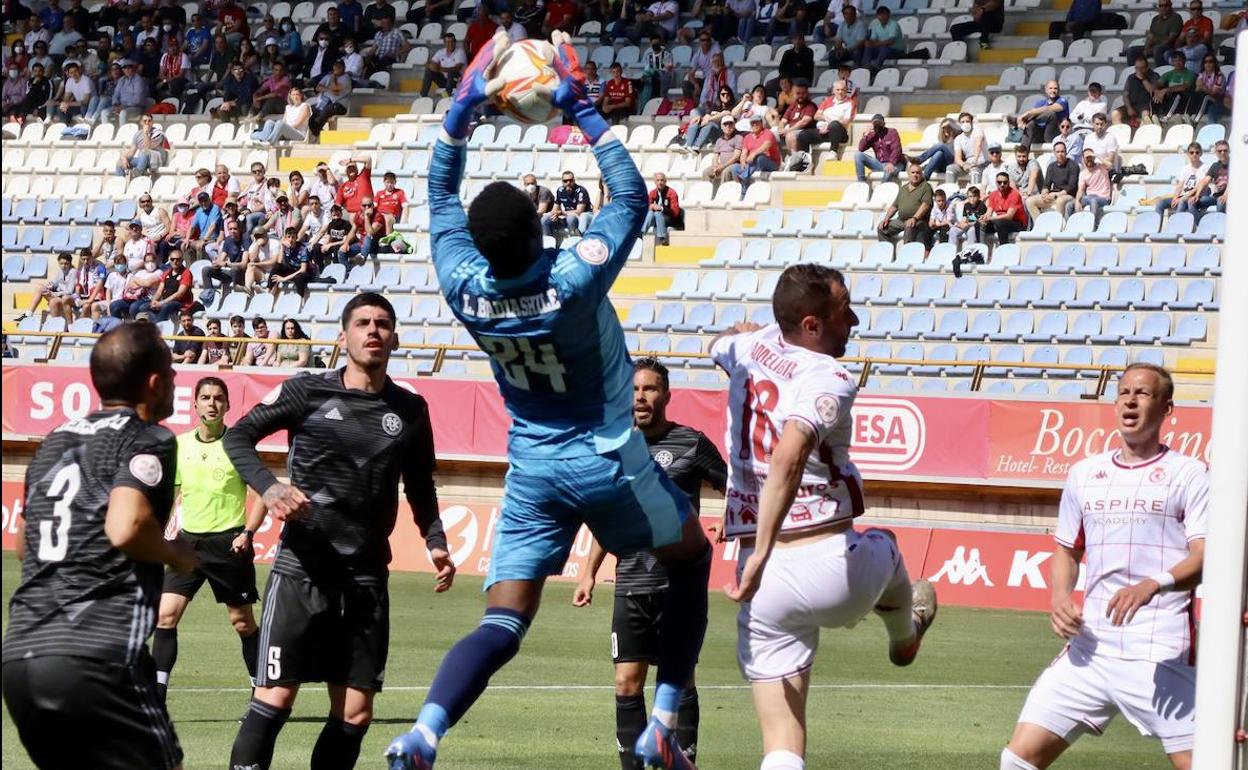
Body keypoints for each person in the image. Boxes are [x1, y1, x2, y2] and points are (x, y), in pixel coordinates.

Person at [386, 31, 713, 770]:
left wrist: (460, 113)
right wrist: (581, 107)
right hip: (606, 455)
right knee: (691, 558)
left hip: (532, 467)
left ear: (478, 243)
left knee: (504, 618)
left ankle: (425, 734)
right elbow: (631, 196)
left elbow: (438, 195)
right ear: (539, 229)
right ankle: (664, 721)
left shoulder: (462, 284)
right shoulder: (571, 281)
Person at [711, 264, 937, 770]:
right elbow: (790, 454)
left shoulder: (748, 349)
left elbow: (721, 342)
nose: (853, 319)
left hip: (761, 584)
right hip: (830, 563)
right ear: (811, 325)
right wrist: (766, 546)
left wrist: (744, 333)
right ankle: (905, 632)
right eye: (843, 310)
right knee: (887, 544)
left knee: (782, 741)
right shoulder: (828, 375)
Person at [224, 291, 453, 770]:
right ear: (343, 335)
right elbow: (238, 436)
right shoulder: (306, 391)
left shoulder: (411, 409)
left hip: (367, 576)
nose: (374, 330)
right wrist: (268, 489)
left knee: (356, 711)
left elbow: (419, 485)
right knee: (275, 698)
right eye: (363, 322)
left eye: (383, 323)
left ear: (394, 337)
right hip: (302, 570)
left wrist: (435, 541)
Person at [2, 323, 196, 770]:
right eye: (171, 370)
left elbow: (22, 545)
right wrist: (176, 555)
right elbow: (126, 527)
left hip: (22, 658)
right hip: (96, 653)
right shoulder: (149, 437)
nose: (175, 378)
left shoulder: (54, 442)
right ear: (154, 382)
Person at [1001, 363, 1206, 770]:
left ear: (1166, 408)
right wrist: (1060, 598)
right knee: (1017, 760)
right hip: (1090, 649)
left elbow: (1206, 557)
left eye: (1143, 393)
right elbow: (1066, 550)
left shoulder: (1190, 474)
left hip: (1159, 649)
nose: (1130, 399)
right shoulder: (1084, 474)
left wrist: (1154, 584)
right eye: (1124, 392)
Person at [573, 358, 727, 770]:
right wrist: (589, 570)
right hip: (631, 585)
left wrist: (732, 514)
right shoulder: (616, 447)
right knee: (626, 683)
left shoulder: (691, 443)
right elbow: (609, 515)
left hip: (679, 586)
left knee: (679, 682)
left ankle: (684, 762)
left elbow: (737, 485)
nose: (641, 396)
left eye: (651, 389)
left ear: (666, 395)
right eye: (635, 389)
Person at [152, 376, 267, 702]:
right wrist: (159, 533)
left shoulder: (237, 444)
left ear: (227, 405)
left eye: (218, 398)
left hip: (229, 544)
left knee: (242, 623)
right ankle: (158, 696)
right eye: (206, 397)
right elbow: (171, 492)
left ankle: (261, 695)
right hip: (187, 544)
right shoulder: (180, 444)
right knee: (165, 615)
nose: (212, 403)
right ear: (195, 403)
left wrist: (248, 533)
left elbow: (261, 493)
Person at [877, 160, 933, 244]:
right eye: (913, 172)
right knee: (882, 228)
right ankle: (887, 254)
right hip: (901, 220)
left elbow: (926, 205)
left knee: (909, 227)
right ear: (908, 174)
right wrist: (886, 218)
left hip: (919, 221)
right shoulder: (903, 188)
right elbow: (894, 206)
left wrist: (914, 218)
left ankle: (907, 255)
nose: (915, 175)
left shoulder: (926, 187)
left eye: (917, 173)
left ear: (921, 174)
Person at [1026, 141, 1079, 222]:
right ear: (1054, 153)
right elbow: (1046, 184)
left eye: (1062, 151)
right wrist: (1044, 193)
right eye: (1057, 152)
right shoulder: (1051, 166)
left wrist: (1057, 194)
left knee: (1060, 201)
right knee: (1030, 201)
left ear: (1066, 152)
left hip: (1068, 195)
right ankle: (1039, 224)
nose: (1060, 154)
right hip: (1053, 195)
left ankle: (1059, 226)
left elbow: (1072, 186)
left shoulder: (1073, 166)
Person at [16, 251, 75, 323]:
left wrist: (55, 294)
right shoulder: (60, 272)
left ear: (70, 263)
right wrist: (49, 286)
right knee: (39, 287)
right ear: (58, 263)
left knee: (53, 299)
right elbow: (53, 284)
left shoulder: (73, 272)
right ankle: (28, 314)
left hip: (66, 299)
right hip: (58, 296)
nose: (63, 266)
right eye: (61, 263)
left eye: (66, 264)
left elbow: (70, 291)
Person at [1154, 142, 1207, 221]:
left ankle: (1175, 226)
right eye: (1191, 152)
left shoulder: (1204, 167)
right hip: (1183, 196)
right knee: (1161, 203)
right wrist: (1175, 198)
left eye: (1197, 152)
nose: (1194, 155)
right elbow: (1180, 185)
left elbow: (1197, 188)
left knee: (1181, 204)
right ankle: (1156, 227)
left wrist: (1182, 199)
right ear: (1188, 154)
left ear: (1201, 153)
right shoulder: (1185, 168)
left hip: (1194, 197)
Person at [731, 113, 782, 194]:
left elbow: (767, 145)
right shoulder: (747, 137)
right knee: (734, 168)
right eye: (752, 123)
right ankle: (744, 189)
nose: (755, 124)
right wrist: (743, 162)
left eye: (757, 122)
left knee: (759, 157)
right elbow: (744, 153)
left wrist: (754, 154)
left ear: (762, 124)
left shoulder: (768, 133)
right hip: (753, 165)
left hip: (770, 163)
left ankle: (744, 178)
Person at [543, 170, 595, 241]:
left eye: (571, 180)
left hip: (579, 217)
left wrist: (561, 213)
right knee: (545, 218)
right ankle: (547, 243)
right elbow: (555, 208)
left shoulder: (581, 191)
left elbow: (579, 211)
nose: (568, 183)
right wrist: (554, 214)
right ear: (562, 181)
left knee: (571, 218)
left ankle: (572, 241)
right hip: (566, 215)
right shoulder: (560, 190)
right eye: (565, 181)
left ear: (574, 180)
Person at [1014, 80, 1069, 147]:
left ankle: (1016, 121)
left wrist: (1027, 114)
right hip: (1040, 134)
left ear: (1059, 90)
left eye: (1055, 88)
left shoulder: (1063, 101)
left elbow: (1048, 108)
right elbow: (1032, 115)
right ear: (1046, 90)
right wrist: (1025, 119)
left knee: (1051, 114)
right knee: (1031, 124)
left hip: (1053, 135)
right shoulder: (1040, 102)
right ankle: (1023, 151)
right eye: (1050, 88)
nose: (1053, 91)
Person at [1127, 0, 1182, 66]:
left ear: (1171, 5)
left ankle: (1160, 72)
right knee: (1131, 50)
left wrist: (1154, 47)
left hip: (1169, 46)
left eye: (1166, 5)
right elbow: (1150, 36)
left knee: (1157, 49)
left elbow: (1171, 38)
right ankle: (1136, 74)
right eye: (1161, 6)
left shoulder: (1176, 18)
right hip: (1154, 46)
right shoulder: (1155, 19)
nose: (1163, 8)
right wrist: (1146, 48)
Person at [854, 113, 903, 184]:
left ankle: (881, 190)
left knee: (888, 171)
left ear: (884, 123)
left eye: (879, 123)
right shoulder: (871, 135)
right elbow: (861, 148)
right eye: (875, 124)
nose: (878, 126)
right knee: (858, 155)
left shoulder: (892, 132)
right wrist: (866, 134)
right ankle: (861, 183)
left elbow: (896, 149)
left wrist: (891, 163)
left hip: (896, 164)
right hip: (880, 164)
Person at [117, 113, 168, 179]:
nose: (147, 123)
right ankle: (121, 182)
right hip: (143, 160)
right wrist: (124, 158)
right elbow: (132, 152)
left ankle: (138, 174)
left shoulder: (158, 133)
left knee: (143, 152)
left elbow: (148, 147)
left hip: (156, 160)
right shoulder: (138, 135)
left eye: (149, 121)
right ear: (141, 122)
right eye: (145, 121)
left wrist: (146, 134)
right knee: (120, 162)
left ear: (152, 122)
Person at [1187, 139, 1228, 219]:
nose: (1222, 153)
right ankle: (1201, 225)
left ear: (1228, 151)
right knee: (1191, 202)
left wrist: (1226, 195)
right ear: (1216, 152)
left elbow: (1233, 183)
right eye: (1220, 151)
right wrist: (1197, 195)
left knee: (1220, 201)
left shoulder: (1234, 164)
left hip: (1228, 197)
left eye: (1225, 150)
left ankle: (1219, 228)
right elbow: (1205, 181)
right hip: (1215, 197)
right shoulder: (1215, 165)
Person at [1115, 56, 1160, 125]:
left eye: (1142, 68)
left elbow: (1153, 91)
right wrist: (1129, 107)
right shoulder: (1131, 77)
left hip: (1148, 107)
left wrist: (1143, 79)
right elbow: (1125, 95)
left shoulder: (1154, 76)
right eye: (1137, 68)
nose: (1139, 70)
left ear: (1147, 67)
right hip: (1132, 106)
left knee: (1145, 115)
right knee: (1115, 114)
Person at [984, 172, 1026, 245]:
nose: (1002, 184)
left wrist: (991, 218)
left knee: (1001, 223)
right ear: (996, 183)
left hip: (1017, 223)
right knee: (980, 224)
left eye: (1005, 182)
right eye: (999, 182)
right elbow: (989, 212)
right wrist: (984, 218)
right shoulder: (993, 194)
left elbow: (1009, 216)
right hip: (999, 222)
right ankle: (979, 250)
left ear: (1008, 183)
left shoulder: (1014, 195)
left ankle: (1003, 248)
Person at [642, 173, 682, 246]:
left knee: (658, 213)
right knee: (651, 213)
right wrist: (650, 207)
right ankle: (641, 233)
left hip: (670, 219)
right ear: (655, 182)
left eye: (662, 180)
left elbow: (675, 212)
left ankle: (662, 238)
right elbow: (646, 208)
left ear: (665, 181)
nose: (660, 182)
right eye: (658, 180)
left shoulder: (671, 193)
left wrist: (661, 209)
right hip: (656, 219)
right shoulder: (652, 193)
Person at [1154, 50, 1195, 118]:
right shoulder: (1169, 74)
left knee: (1176, 94)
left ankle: (1167, 116)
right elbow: (1157, 84)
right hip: (1170, 99)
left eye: (1179, 60)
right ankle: (1154, 115)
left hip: (1184, 100)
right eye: (1175, 61)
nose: (1177, 63)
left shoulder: (1190, 74)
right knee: (1155, 93)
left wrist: (1165, 90)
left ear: (1184, 61)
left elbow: (1184, 87)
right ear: (1172, 62)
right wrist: (1157, 92)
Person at [421, 33, 465, 97]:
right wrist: (432, 66)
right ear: (444, 43)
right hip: (445, 81)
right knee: (429, 71)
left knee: (451, 72)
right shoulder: (441, 52)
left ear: (455, 42)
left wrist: (439, 69)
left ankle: (447, 94)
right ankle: (423, 95)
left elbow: (457, 68)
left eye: (452, 42)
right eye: (448, 42)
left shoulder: (460, 52)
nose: (450, 44)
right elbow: (430, 63)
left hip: (457, 81)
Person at [950, 112, 988, 186]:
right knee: (950, 169)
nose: (965, 124)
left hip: (982, 162)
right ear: (959, 124)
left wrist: (974, 162)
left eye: (967, 121)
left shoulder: (977, 131)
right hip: (968, 163)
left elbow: (978, 145)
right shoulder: (958, 138)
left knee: (974, 171)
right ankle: (950, 192)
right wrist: (963, 164)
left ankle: (975, 193)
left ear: (971, 123)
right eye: (962, 122)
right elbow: (957, 157)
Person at [706, 116, 744, 185]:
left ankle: (724, 194)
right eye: (725, 124)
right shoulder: (719, 140)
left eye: (730, 124)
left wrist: (722, 166)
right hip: (721, 165)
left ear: (734, 125)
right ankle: (706, 194)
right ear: (721, 127)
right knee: (706, 172)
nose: (728, 126)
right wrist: (715, 166)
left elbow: (736, 157)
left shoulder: (738, 138)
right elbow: (715, 156)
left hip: (733, 165)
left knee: (726, 172)